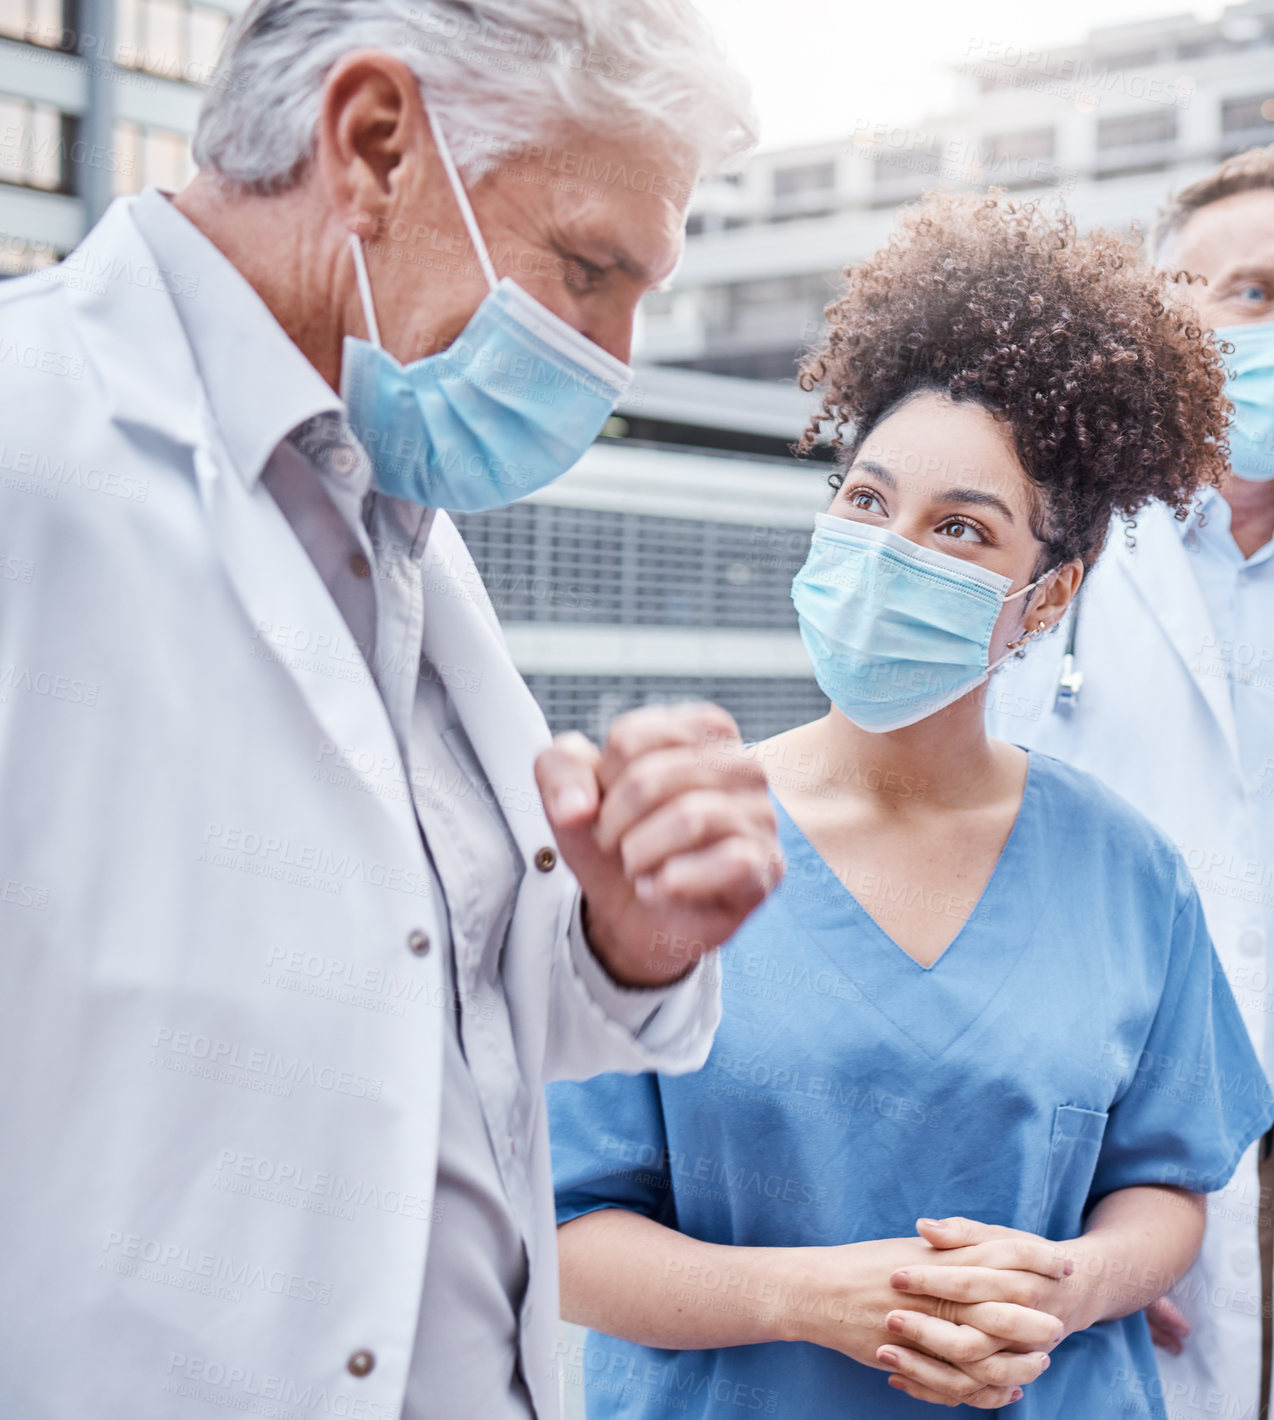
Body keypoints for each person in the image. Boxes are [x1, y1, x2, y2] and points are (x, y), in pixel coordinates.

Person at [0, 4, 783, 1418]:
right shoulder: (29, 448)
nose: (612, 360)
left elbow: (408, 1024)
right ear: (373, 147)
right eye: (592, 269)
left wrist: (632, 933)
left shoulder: (386, 505)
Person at [547, 194, 1274, 1418]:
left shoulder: (1126, 873)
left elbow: (1165, 1191)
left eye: (958, 530)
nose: (891, 551)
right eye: (868, 501)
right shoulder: (672, 846)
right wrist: (806, 1299)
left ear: (1045, 599)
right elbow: (565, 1228)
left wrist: (1070, 1280)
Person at [989, 145, 1274, 1419]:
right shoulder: (1048, 559)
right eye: (1253, 293)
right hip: (1116, 1156)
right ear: (1163, 311)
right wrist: (1056, 1195)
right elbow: (975, 860)